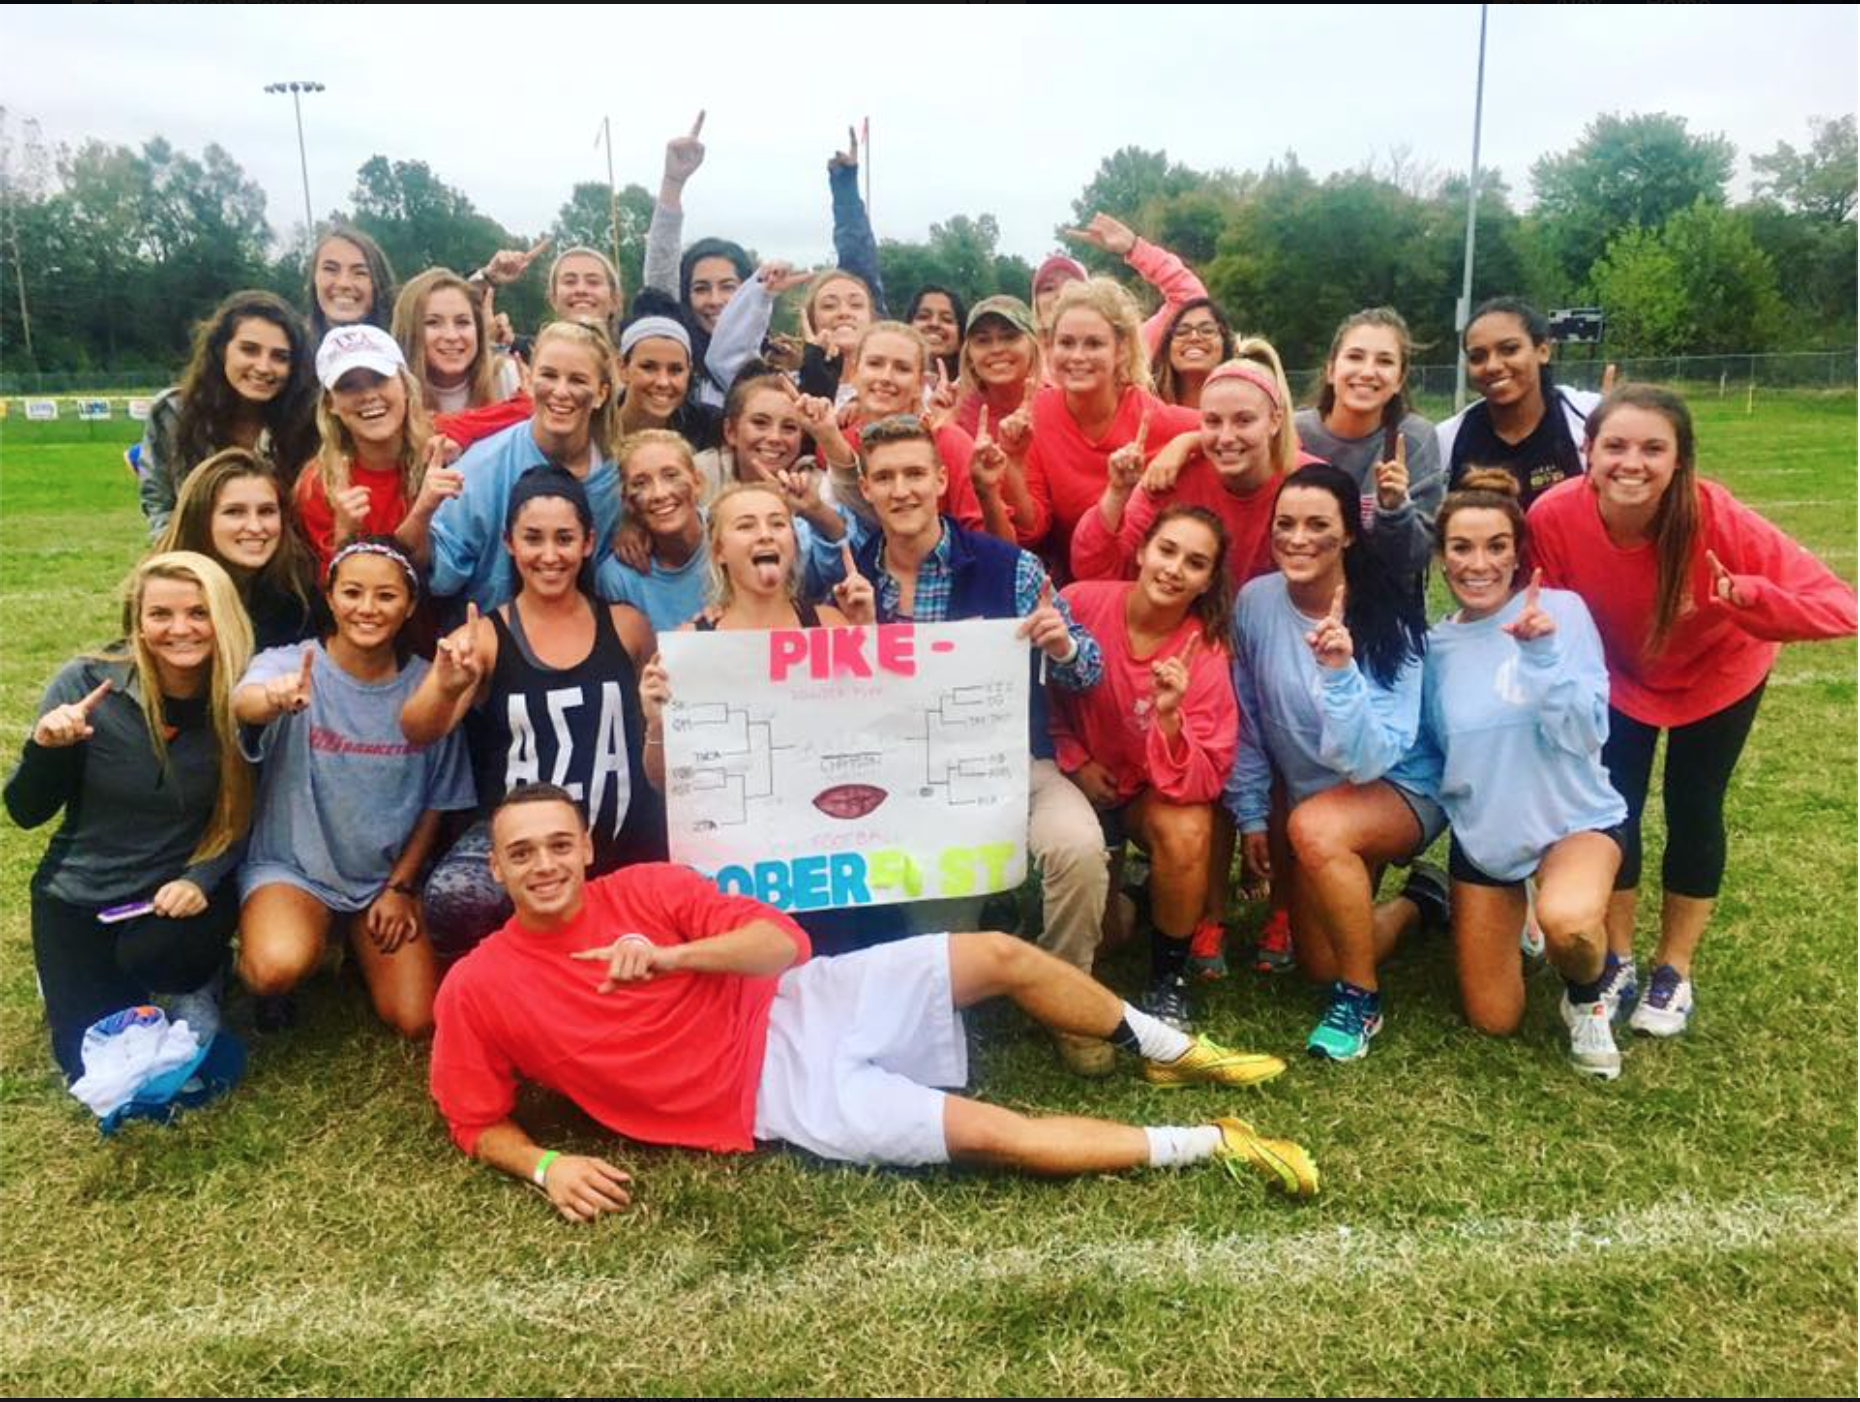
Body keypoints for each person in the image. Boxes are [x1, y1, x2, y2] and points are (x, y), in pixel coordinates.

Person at [428, 784, 1317, 1220]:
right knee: (992, 1132)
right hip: (775, 1101)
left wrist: (671, 957)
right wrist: (547, 1168)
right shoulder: (479, 986)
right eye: (521, 854)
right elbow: (475, 1121)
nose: (543, 866)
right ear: (496, 867)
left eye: (557, 845)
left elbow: (785, 945)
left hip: (798, 1003)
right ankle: (1212, 1144)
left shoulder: (652, 888)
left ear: (586, 847)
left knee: (1001, 953)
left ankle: (1169, 1049)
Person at [1527, 385, 1857, 1037]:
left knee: (1694, 804)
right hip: (1621, 675)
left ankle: (1672, 967)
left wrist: (1750, 597)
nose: (1633, 463)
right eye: (1615, 445)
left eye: (1654, 448)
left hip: (1719, 674)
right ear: (1587, 452)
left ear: (1680, 460)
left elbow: (1842, 606)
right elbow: (1551, 613)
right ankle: (1617, 955)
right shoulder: (1552, 515)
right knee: (1613, 805)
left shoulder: (1714, 514)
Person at [1223, 464, 1444, 1063]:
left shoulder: (1390, 611)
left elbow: (1373, 758)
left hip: (1399, 785)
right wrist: (1249, 815)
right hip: (1316, 798)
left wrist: (1339, 671)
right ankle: (1422, 903)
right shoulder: (1255, 601)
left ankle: (1360, 1001)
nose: (1298, 539)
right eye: (1284, 525)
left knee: (1316, 829)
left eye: (1318, 524)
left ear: (1349, 533)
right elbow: (1245, 717)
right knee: (1320, 959)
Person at [6, 553, 253, 1080]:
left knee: (167, 975)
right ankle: (71, 976)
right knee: (90, 1065)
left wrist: (199, 879)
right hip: (81, 892)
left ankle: (203, 975)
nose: (180, 629)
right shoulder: (86, 684)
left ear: (223, 618)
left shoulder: (243, 697)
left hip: (174, 895)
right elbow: (26, 811)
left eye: (199, 612)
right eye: (160, 614)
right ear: (138, 620)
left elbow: (247, 814)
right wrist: (47, 748)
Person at [402, 467, 664, 958]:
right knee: (455, 897)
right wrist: (445, 684)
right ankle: (508, 976)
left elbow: (664, 722)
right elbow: (417, 728)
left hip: (625, 836)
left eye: (564, 538)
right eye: (533, 539)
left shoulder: (628, 626)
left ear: (588, 543)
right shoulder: (484, 636)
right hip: (531, 850)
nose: (549, 555)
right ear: (509, 543)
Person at [1419, 473, 1628, 1078]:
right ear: (1441, 557)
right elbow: (1434, 751)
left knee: (1572, 927)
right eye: (1461, 547)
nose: (1478, 563)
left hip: (1574, 822)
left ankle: (1586, 998)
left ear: (1517, 553)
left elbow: (1586, 735)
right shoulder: (1436, 647)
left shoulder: (1561, 612)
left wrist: (1540, 657)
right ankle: (1516, 906)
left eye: (1495, 546)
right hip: (1487, 840)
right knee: (1494, 1018)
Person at [233, 538, 475, 1035]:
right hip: (294, 866)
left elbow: (437, 802)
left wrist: (402, 886)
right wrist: (273, 700)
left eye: (386, 596)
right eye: (352, 592)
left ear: (409, 606)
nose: (367, 608)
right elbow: (243, 702)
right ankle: (285, 939)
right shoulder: (291, 664)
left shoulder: (431, 685)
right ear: (330, 596)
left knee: (417, 1017)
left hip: (379, 879)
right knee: (273, 966)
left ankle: (352, 949)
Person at [1051, 507, 1242, 1046]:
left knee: (1187, 827)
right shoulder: (1083, 602)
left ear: (1208, 580)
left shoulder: (1203, 650)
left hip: (1145, 795)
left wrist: (1169, 719)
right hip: (1078, 786)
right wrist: (1074, 759)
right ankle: (1135, 895)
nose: (1175, 569)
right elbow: (1035, 694)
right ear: (1141, 551)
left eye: (1196, 562)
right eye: (1167, 550)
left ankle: (1169, 977)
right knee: (1107, 941)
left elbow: (1206, 778)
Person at [423, 320, 626, 615]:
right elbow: (440, 573)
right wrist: (421, 513)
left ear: (601, 394)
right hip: (490, 640)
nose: (560, 391)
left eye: (578, 380)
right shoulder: (484, 466)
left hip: (583, 641)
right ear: (528, 380)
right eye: (549, 375)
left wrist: (636, 527)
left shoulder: (613, 479)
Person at [1018, 278, 1200, 561]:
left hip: (1153, 577)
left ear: (1122, 350)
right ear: (1049, 348)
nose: (1078, 356)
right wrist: (1011, 465)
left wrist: (1187, 442)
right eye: (1066, 342)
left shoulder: (1150, 416)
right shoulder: (1039, 412)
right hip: (1074, 582)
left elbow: (1243, 432)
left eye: (1094, 344)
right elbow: (1032, 529)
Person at [1071, 358, 1296, 586]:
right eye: (1213, 421)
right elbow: (1093, 571)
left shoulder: (1306, 483)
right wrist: (1117, 492)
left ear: (1275, 421)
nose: (1226, 437)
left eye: (1244, 421)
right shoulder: (1172, 478)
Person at [138, 290, 319, 538]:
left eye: (280, 357)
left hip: (284, 565)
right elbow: (159, 505)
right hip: (196, 563)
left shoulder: (308, 424)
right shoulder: (172, 415)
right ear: (223, 349)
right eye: (249, 350)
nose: (264, 367)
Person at [294, 324, 461, 575]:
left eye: (380, 378)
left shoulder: (440, 441)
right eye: (349, 385)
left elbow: (510, 415)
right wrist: (345, 531)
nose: (369, 395)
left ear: (405, 386)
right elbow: (337, 594)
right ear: (331, 404)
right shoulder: (319, 484)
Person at [1291, 308, 1443, 584]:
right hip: (1301, 592)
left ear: (1399, 379)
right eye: (1355, 357)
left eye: (1384, 361)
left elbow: (1416, 557)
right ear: (1330, 369)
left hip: (1382, 601)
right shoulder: (1294, 433)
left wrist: (1396, 509)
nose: (1368, 371)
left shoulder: (1413, 439)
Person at [1435, 297, 1604, 507]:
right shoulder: (1447, 439)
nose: (1492, 366)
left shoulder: (1592, 417)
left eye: (1509, 349)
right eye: (1477, 357)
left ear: (1543, 351)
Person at [155, 449, 322, 651]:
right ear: (200, 519)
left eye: (266, 511)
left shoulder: (299, 593)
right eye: (234, 512)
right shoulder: (161, 591)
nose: (255, 527)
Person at [1037, 213, 1211, 359]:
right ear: (1035, 304)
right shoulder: (1020, 359)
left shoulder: (1126, 350)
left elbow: (1192, 301)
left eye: (1072, 285)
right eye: (1048, 288)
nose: (1061, 294)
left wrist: (1134, 248)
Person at [390, 268, 522, 417]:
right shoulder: (392, 391)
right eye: (433, 322)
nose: (452, 336)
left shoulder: (504, 377)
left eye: (462, 322)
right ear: (409, 331)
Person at [614, 314, 720, 450]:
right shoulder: (592, 424)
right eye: (648, 367)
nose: (663, 382)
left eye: (675, 370)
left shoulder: (709, 426)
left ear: (689, 371)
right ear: (622, 368)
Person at [305, 221, 396, 343]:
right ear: (314, 279)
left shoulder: (407, 352)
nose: (344, 283)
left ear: (378, 283)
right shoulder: (292, 353)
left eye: (359, 272)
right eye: (331, 269)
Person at [1151, 299, 1236, 409]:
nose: (1194, 338)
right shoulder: (1144, 406)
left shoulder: (1248, 400)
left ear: (1224, 343)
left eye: (1207, 330)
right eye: (1181, 332)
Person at [542, 245, 624, 334]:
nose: (581, 290)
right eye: (570, 282)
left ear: (614, 298)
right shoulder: (534, 348)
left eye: (593, 282)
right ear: (553, 298)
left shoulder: (636, 345)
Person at [907, 284, 967, 383]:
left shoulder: (975, 392)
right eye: (923, 316)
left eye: (947, 319)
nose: (934, 323)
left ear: (960, 340)